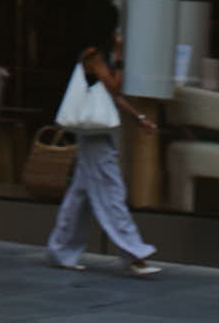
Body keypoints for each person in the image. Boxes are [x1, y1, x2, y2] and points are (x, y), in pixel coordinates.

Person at [45, 28, 162, 277]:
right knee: (112, 195)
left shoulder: (93, 57)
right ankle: (135, 256)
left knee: (78, 200)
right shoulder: (93, 56)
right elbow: (115, 87)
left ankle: (60, 250)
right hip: (96, 142)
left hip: (94, 139)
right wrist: (119, 57)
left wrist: (139, 117)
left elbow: (112, 98)